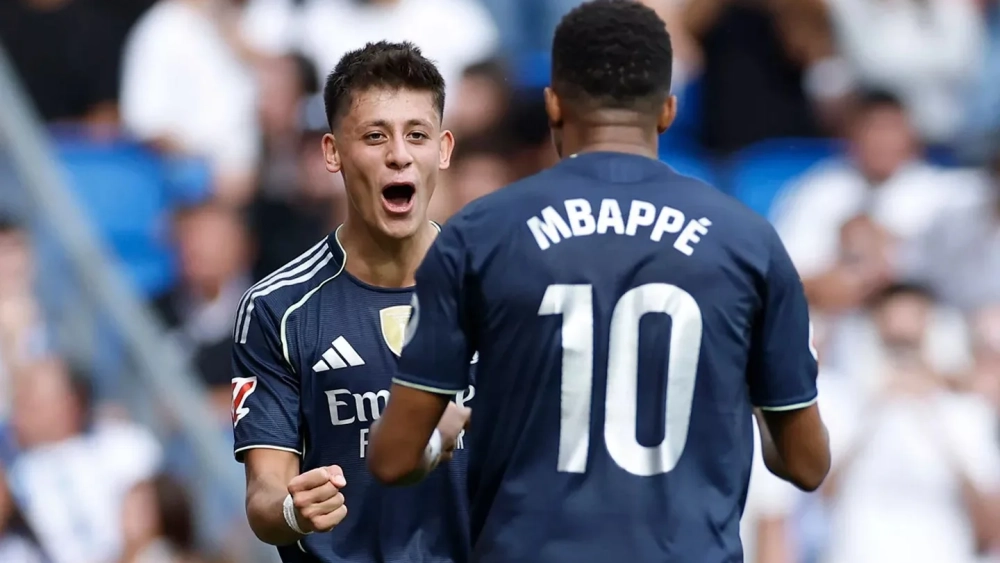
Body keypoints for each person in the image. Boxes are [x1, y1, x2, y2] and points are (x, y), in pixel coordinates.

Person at [367, 1, 831, 562]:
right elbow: (805, 465)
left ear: (554, 105)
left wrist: (444, 433)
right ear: (667, 111)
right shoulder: (748, 242)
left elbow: (392, 459)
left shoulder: (479, 233)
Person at [231, 41, 474, 563]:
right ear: (332, 152)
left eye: (417, 134)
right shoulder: (277, 309)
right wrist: (294, 511)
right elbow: (264, 494)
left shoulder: (501, 293)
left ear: (444, 149)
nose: (399, 155)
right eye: (374, 136)